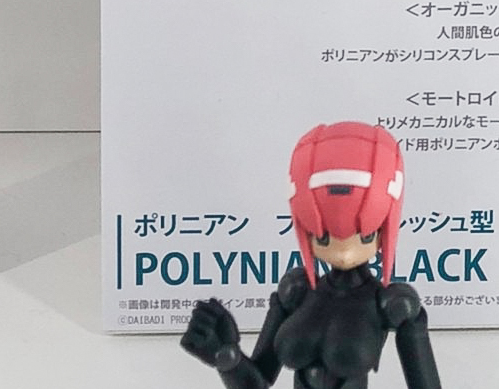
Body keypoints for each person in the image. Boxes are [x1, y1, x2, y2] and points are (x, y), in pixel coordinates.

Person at [182, 121, 441, 389]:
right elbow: (257, 382)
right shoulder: (297, 292)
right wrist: (226, 356)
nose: (344, 251)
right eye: (324, 236)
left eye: (364, 234)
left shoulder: (391, 303)